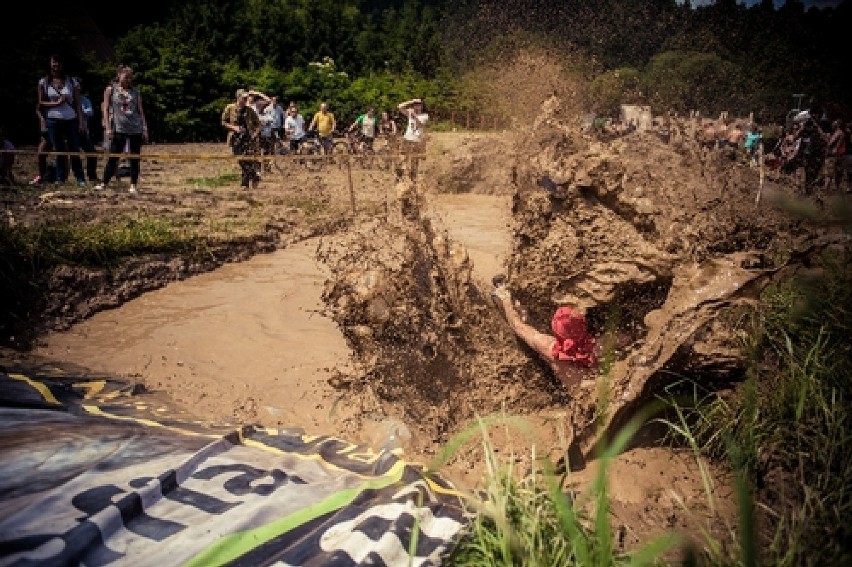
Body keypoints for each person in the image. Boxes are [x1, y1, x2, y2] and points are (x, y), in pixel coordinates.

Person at [491, 275, 600, 390]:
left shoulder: (548, 346)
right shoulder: (597, 343)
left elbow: (518, 327)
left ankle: (518, 309)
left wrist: (506, 300)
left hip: (577, 390)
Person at [94, 66, 149, 193]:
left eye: (130, 77)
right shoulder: (111, 90)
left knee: (134, 157)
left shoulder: (135, 92)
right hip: (119, 128)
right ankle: (104, 183)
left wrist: (144, 128)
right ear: (119, 75)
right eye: (126, 77)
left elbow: (140, 111)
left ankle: (133, 185)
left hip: (135, 128)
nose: (128, 80)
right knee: (113, 156)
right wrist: (107, 127)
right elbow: (106, 109)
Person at [37, 54, 87, 187]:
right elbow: (40, 103)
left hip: (70, 119)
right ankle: (60, 178)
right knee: (58, 150)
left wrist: (81, 122)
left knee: (74, 149)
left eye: (58, 62)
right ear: (50, 64)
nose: (56, 65)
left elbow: (77, 103)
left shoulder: (71, 81)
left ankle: (80, 178)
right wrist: (56, 103)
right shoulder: (44, 82)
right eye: (54, 62)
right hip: (53, 119)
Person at [221, 89, 261, 189]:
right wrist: (234, 128)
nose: (245, 99)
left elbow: (259, 123)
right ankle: (254, 175)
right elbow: (223, 122)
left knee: (246, 159)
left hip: (247, 138)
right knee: (240, 159)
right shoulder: (230, 108)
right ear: (238, 98)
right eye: (243, 98)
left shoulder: (249, 110)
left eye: (246, 98)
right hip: (235, 138)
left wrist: (255, 134)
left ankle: (245, 184)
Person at [397, 97, 429, 178]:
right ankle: (401, 174)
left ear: (422, 106)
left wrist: (414, 116)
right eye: (415, 104)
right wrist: (411, 101)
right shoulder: (410, 113)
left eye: (419, 104)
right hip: (407, 138)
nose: (417, 106)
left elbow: (421, 124)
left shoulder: (425, 115)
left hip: (417, 141)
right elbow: (400, 106)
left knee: (414, 162)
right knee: (402, 158)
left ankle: (413, 180)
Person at [77, 77, 99, 183]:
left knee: (92, 153)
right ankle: (78, 177)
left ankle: (92, 175)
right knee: (73, 155)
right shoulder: (68, 100)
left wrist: (80, 111)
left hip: (84, 132)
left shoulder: (85, 100)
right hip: (71, 131)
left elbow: (90, 112)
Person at [822, 120, 845, 193]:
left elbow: (830, 143)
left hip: (832, 155)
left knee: (829, 173)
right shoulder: (837, 133)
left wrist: (825, 138)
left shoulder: (838, 133)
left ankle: (826, 189)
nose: (832, 124)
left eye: (834, 123)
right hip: (834, 155)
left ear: (837, 125)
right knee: (832, 173)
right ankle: (830, 188)